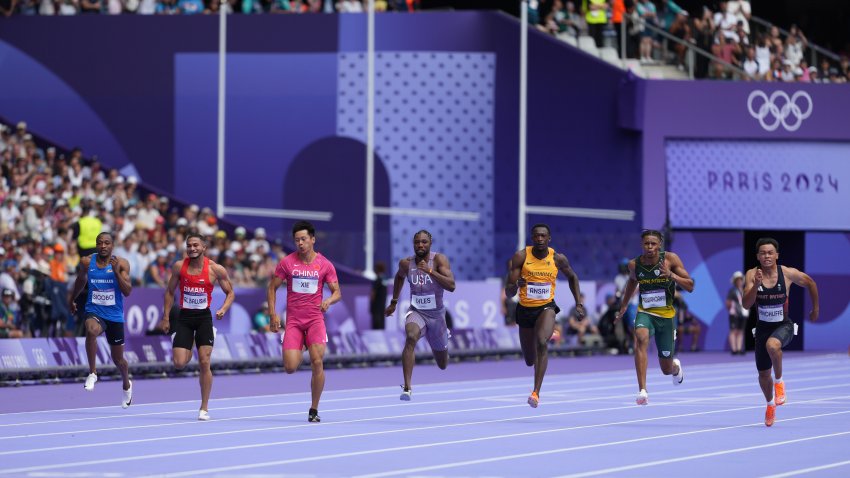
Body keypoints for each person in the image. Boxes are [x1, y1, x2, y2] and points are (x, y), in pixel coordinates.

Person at [268, 221, 341, 423]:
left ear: (312, 240)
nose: (300, 243)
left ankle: (314, 409)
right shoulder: (287, 263)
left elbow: (337, 293)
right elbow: (271, 288)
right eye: (297, 240)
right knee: (290, 367)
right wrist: (273, 315)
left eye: (303, 239)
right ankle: (302, 344)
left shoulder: (324, 264)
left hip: (315, 320)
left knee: (318, 362)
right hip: (293, 322)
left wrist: (328, 301)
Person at [505, 223, 584, 408]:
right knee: (529, 360)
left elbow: (573, 277)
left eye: (543, 236)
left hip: (546, 307)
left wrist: (578, 303)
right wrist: (516, 284)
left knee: (541, 342)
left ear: (549, 239)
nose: (540, 239)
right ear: (532, 238)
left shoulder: (557, 258)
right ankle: (544, 336)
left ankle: (536, 393)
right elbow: (508, 292)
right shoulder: (521, 257)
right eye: (536, 236)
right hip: (524, 310)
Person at [742, 237, 819, 427]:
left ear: (776, 255)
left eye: (770, 253)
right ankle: (769, 405)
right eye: (763, 253)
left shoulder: (787, 273)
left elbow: (810, 283)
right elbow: (745, 304)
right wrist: (755, 285)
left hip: (783, 325)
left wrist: (815, 308)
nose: (767, 256)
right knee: (762, 374)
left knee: (773, 345)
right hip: (762, 328)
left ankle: (780, 381)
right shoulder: (752, 274)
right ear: (758, 256)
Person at [161, 233, 235, 421]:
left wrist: (223, 309)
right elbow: (170, 292)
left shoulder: (215, 269)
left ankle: (204, 407)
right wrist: (166, 317)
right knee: (179, 363)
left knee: (204, 361)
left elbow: (230, 293)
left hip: (204, 319)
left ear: (204, 247)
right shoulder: (179, 267)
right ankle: (189, 341)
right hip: (185, 318)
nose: (192, 248)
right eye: (189, 246)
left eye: (195, 245)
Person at [616, 229, 693, 406]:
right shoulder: (634, 264)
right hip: (646, 313)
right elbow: (632, 282)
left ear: (659, 245)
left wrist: (672, 275)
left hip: (666, 317)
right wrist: (624, 304)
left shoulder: (670, 259)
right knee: (641, 337)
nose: (650, 247)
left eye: (653, 243)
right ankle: (642, 390)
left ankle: (675, 367)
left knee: (666, 369)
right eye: (646, 244)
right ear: (641, 245)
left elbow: (690, 285)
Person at [384, 230, 456, 401]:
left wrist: (431, 271)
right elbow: (399, 277)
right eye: (417, 242)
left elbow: (452, 285)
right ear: (413, 244)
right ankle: (407, 386)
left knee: (442, 364)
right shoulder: (406, 264)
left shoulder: (439, 260)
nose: (420, 245)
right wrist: (394, 302)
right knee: (410, 337)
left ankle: (443, 341)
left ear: (430, 243)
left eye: (424, 242)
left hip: (437, 317)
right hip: (417, 312)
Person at [68, 232, 133, 408]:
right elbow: (81, 280)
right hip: (94, 310)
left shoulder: (122, 263)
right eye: (99, 243)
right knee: (91, 330)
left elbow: (127, 291)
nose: (103, 246)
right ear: (96, 245)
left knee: (118, 360)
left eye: (106, 243)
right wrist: (72, 299)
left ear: (112, 245)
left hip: (114, 316)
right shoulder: (87, 262)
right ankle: (92, 373)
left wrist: (117, 273)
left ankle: (126, 383)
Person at [726, 270, 748, 355]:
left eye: (740, 280)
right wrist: (732, 310)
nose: (739, 281)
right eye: (737, 280)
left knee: (740, 331)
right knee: (733, 331)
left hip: (743, 313)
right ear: (735, 281)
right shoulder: (732, 291)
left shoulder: (744, 290)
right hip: (734, 314)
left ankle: (739, 349)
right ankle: (734, 349)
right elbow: (728, 302)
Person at [370, 261, 388, 330]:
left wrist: (371, 303)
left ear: (377, 269)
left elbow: (373, 293)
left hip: (376, 307)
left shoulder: (377, 280)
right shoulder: (384, 279)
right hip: (382, 306)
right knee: (381, 324)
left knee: (376, 325)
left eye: (375, 268)